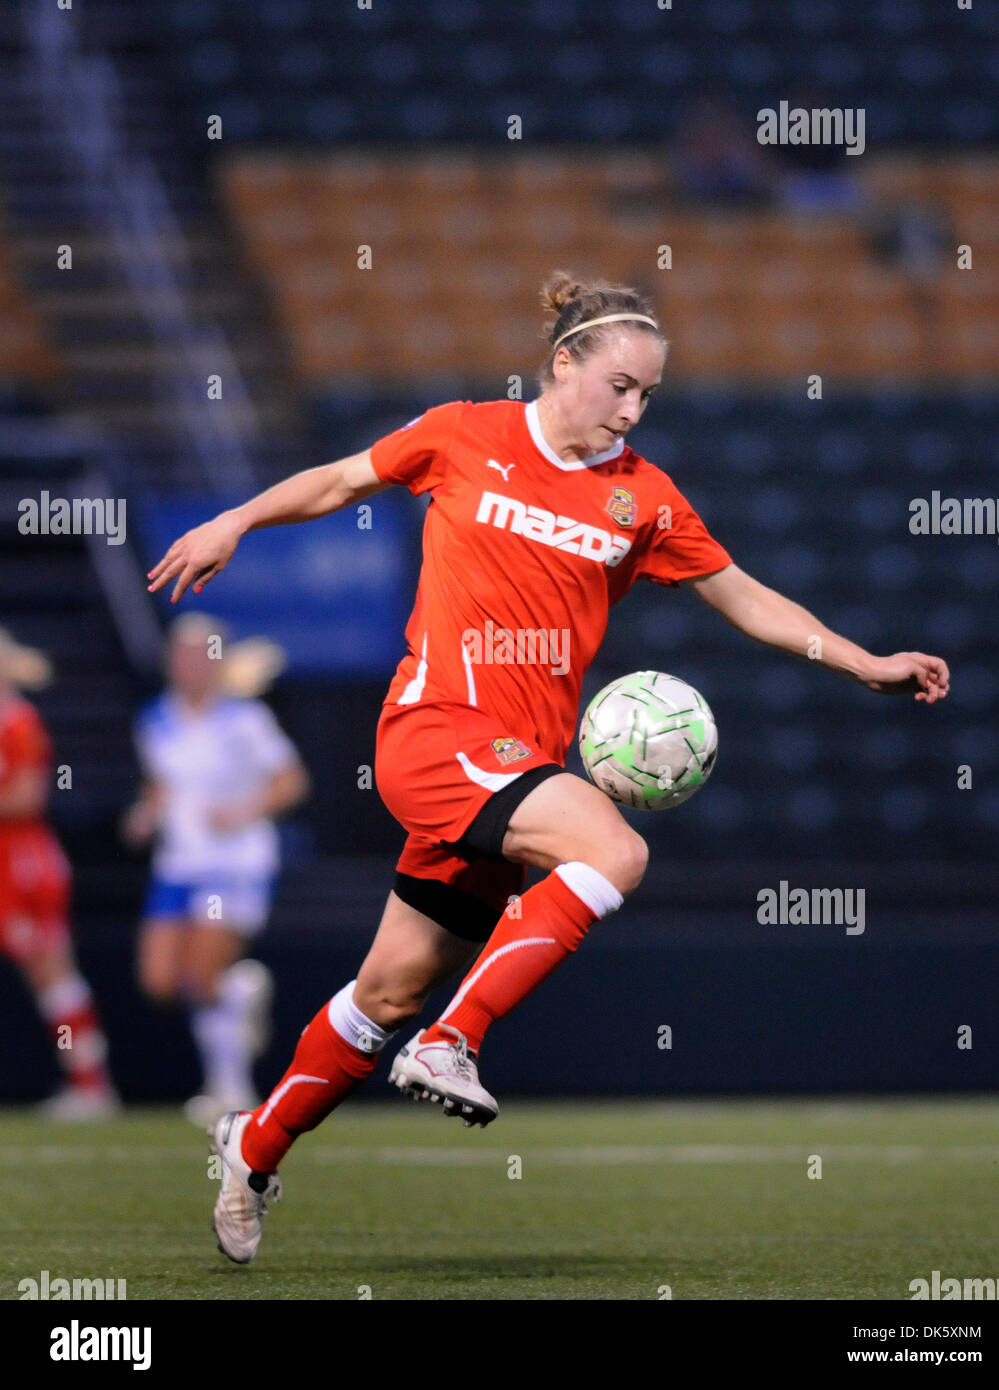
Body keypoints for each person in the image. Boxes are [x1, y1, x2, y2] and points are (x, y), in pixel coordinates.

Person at [147, 271, 950, 1263]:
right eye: (619, 384)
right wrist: (238, 520)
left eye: (647, 394)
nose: (631, 407)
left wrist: (864, 659)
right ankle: (455, 1041)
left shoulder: (642, 498)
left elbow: (744, 597)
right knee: (613, 849)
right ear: (563, 362)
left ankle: (253, 1144)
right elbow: (343, 479)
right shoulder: (462, 433)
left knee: (388, 993)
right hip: (433, 730)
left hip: (516, 774)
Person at [123, 614, 309, 1127]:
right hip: (178, 864)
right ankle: (242, 990)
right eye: (179, 654)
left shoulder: (245, 719)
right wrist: (147, 813)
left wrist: (244, 811)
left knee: (199, 976)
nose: (187, 664)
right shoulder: (155, 720)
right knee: (161, 981)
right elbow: (162, 786)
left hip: (234, 865)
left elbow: (290, 782)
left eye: (198, 653)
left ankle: (228, 1087)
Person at [0, 628, 118, 1119]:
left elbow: (29, 796)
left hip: (21, 860)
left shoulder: (16, 720)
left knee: (50, 970)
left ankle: (92, 1086)